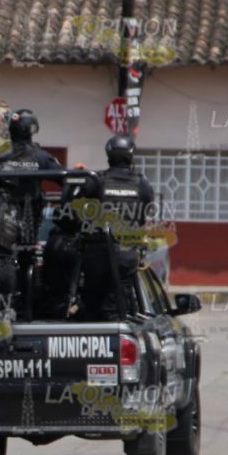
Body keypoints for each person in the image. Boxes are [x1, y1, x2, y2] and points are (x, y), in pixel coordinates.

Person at [78, 135, 156, 320]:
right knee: (120, 304)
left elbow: (76, 203)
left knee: (92, 305)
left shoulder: (97, 179)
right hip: (124, 252)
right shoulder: (141, 183)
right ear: (131, 156)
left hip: (97, 251)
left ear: (109, 155)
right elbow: (145, 210)